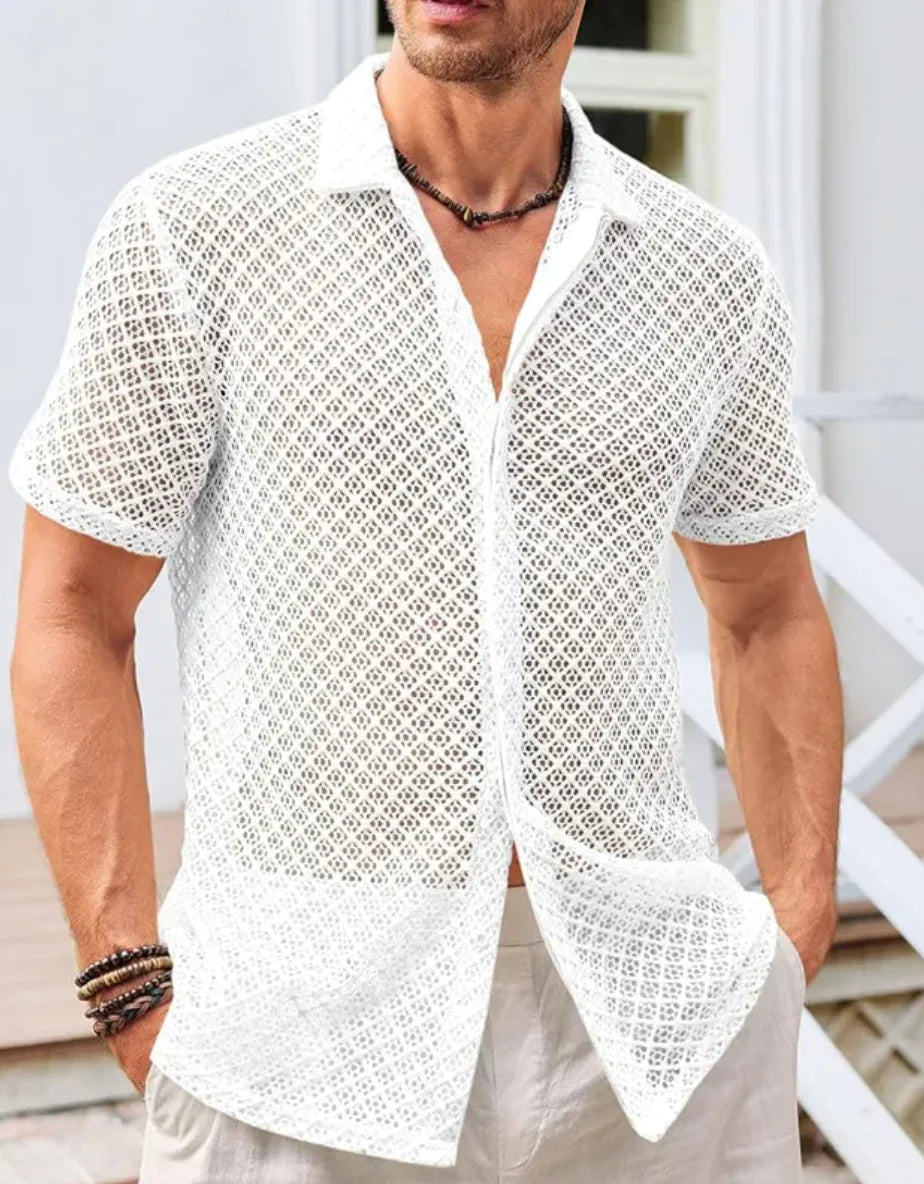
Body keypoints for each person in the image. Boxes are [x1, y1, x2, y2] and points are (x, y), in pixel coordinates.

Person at [7, 1, 844, 1180]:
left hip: (658, 1030)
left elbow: (766, 610)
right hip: (289, 1039)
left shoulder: (705, 273)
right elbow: (72, 610)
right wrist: (128, 983)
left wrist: (795, 924)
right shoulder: (196, 227)